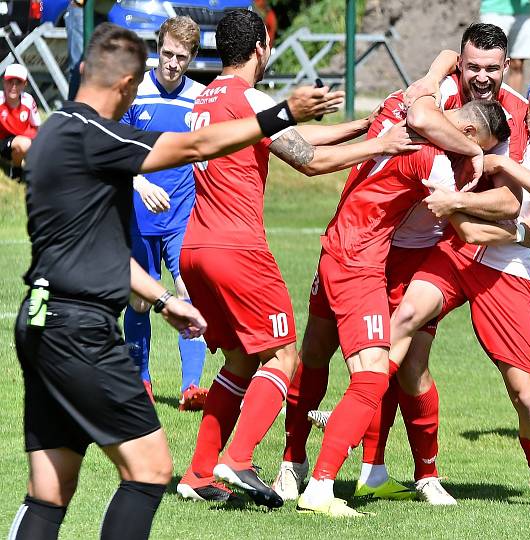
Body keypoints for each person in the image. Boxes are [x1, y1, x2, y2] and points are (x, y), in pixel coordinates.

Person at [9, 21, 345, 540]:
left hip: (39, 320)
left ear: (81, 70)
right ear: (125, 86)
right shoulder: (100, 134)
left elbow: (91, 249)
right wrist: (280, 113)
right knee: (149, 472)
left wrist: (164, 298)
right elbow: (195, 147)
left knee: (50, 492)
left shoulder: (50, 133)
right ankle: (229, 462)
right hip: (82, 330)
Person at [274, 23, 529, 507]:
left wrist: (474, 197)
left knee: (406, 363)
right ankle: (301, 469)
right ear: (460, 62)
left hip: (404, 252)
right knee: (331, 356)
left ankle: (404, 472)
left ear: (506, 66)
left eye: (492, 69)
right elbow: (423, 115)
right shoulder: (431, 104)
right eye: (472, 66)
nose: (481, 76)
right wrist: (472, 156)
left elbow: (508, 199)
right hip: (363, 250)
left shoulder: (507, 112)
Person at [175, 9, 420, 507]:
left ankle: (199, 474)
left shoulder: (207, 96)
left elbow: (293, 142)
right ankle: (238, 460)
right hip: (237, 248)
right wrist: (385, 144)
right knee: (283, 354)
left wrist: (363, 126)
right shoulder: (252, 97)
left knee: (245, 356)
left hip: (195, 246)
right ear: (262, 48)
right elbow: (313, 163)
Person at [383, 57, 530, 510]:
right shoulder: (506, 120)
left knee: (525, 394)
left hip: (508, 271)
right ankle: (390, 443)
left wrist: (503, 165)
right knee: (405, 323)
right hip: (458, 251)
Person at [121, 16, 209, 410]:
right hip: (138, 212)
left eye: (182, 57)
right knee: (140, 299)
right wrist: (140, 182)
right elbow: (114, 150)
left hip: (182, 214)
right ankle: (141, 381)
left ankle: (191, 388)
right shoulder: (133, 92)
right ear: (158, 48)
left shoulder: (201, 99)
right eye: (167, 53)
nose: (172, 63)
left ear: (191, 58)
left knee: (189, 293)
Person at [479, 0, 530, 93]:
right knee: (488, 61)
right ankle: (485, 102)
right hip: (493, 9)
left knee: (517, 64)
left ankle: (512, 105)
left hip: (523, 12)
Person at [0, 64, 40, 178]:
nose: (13, 86)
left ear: (25, 84)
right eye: (10, 82)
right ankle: (17, 169)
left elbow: (36, 126)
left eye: (18, 82)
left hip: (21, 140)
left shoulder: (28, 101)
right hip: (3, 140)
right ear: (4, 82)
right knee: (24, 144)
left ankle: (18, 165)